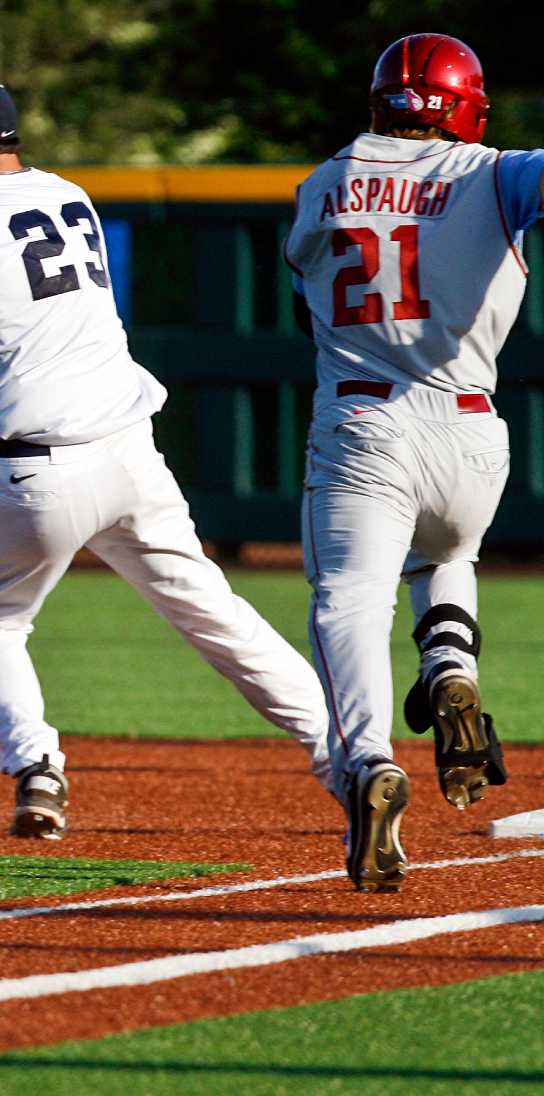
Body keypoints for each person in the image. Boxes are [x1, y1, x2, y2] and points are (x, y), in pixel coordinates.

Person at [0, 66, 335, 840]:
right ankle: (349, 758)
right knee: (217, 616)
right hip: (130, 456)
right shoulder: (67, 195)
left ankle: (36, 766)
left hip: (34, 472)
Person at [284, 33, 526, 892]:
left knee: (348, 601)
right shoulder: (498, 172)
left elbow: (303, 291)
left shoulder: (326, 182)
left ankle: (368, 766)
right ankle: (451, 667)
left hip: (365, 423)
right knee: (445, 551)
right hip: (471, 433)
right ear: (468, 107)